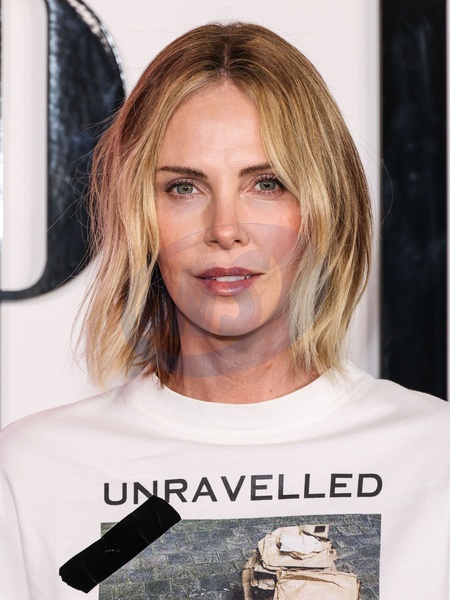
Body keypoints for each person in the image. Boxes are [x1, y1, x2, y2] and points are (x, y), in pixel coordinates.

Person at [1, 22, 449, 600]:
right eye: (184, 188)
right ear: (139, 214)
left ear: (324, 206)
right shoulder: (33, 473)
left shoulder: (433, 459)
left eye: (267, 183)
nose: (224, 229)